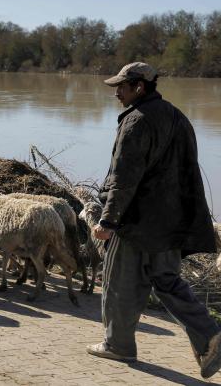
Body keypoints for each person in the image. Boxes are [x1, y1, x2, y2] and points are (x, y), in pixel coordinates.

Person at [86, 62, 221, 379]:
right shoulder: (177, 116)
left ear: (140, 87)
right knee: (167, 281)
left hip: (137, 221)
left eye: (122, 86)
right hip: (170, 222)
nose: (117, 92)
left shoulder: (136, 121)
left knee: (118, 282)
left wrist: (108, 220)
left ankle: (117, 345)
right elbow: (189, 172)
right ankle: (211, 335)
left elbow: (124, 178)